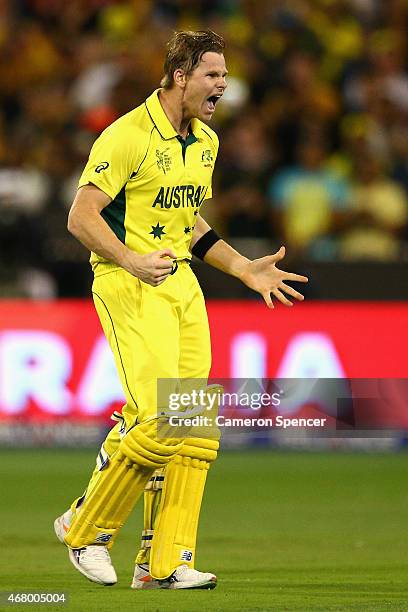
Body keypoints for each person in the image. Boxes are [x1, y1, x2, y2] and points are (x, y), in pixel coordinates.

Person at [54, 30, 308, 591]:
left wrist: (243, 267)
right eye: (213, 74)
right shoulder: (126, 136)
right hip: (127, 282)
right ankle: (86, 530)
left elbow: (186, 219)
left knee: (192, 426)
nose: (223, 83)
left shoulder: (206, 142)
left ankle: (163, 562)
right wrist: (130, 258)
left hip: (182, 286)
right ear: (180, 77)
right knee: (158, 419)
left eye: (224, 74)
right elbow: (81, 217)